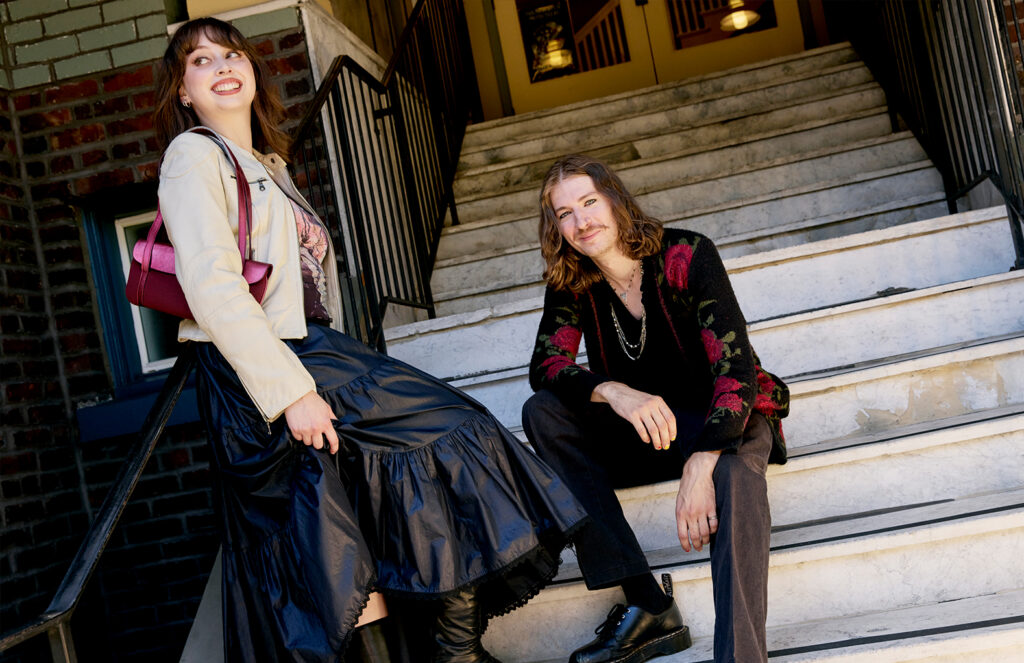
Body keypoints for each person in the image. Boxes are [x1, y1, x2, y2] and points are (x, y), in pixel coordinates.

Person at [151, 18, 587, 663]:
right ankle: (453, 654)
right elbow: (214, 288)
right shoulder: (192, 155)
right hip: (268, 370)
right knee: (446, 435)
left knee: (383, 499)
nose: (222, 65)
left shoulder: (268, 164)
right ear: (183, 90)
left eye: (233, 52)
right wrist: (291, 393)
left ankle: (449, 650)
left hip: (315, 350)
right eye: (199, 60)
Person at [522, 155, 790, 663]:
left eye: (588, 202)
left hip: (721, 417)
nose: (581, 222)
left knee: (734, 472)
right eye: (563, 214)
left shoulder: (687, 255)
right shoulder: (573, 281)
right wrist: (616, 392)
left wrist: (702, 460)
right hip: (647, 430)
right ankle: (647, 604)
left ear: (615, 200)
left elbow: (736, 373)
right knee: (543, 412)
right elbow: (547, 364)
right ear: (555, 228)